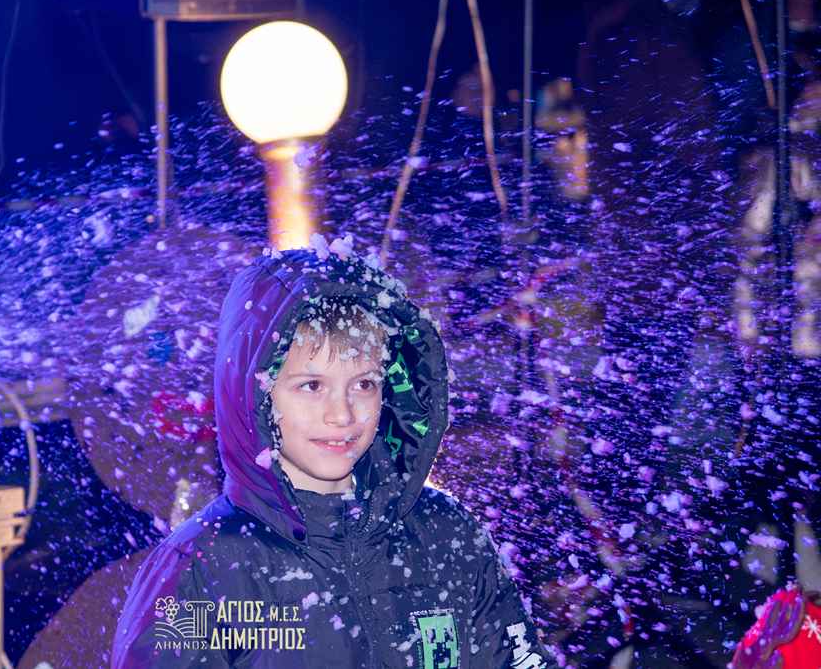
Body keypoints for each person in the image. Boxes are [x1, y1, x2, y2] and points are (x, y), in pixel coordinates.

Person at [111, 246, 551, 667]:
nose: (342, 414)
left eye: (364, 384)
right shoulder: (203, 567)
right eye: (311, 386)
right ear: (254, 396)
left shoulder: (445, 533)